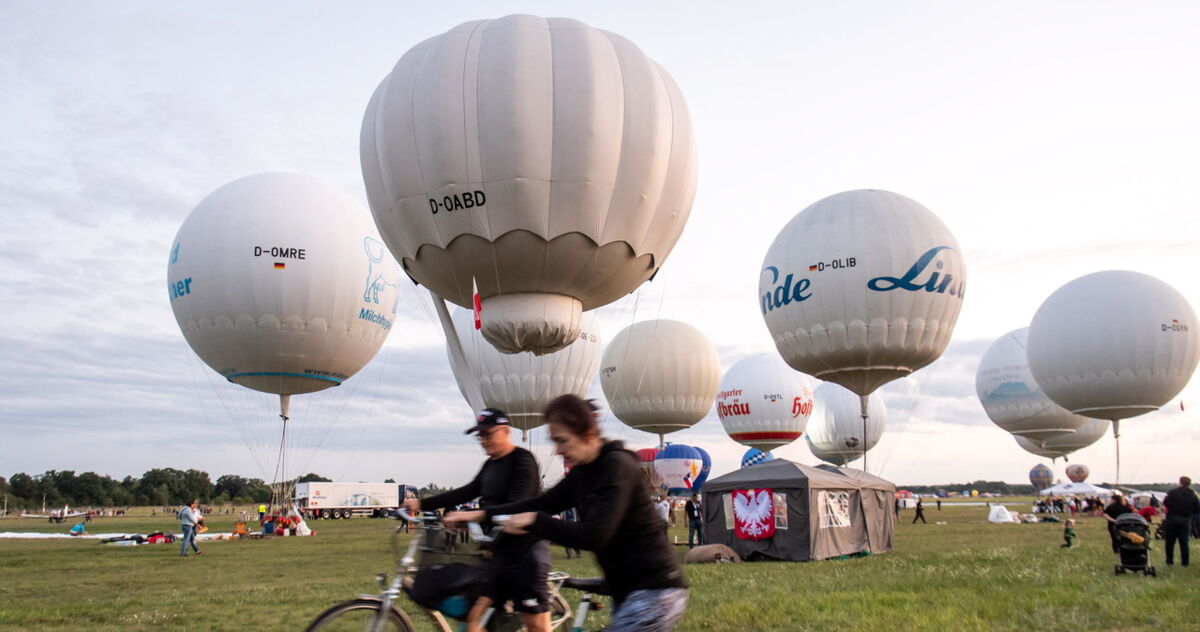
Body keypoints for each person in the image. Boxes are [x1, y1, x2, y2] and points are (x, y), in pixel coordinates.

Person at [446, 394, 687, 632]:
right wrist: (479, 515)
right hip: (626, 589)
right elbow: (541, 503)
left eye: (562, 440)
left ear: (588, 434)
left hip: (655, 591)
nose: (557, 451)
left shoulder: (617, 465)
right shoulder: (584, 472)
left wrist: (535, 522)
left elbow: (595, 535)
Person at [403, 408, 547, 632]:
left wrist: (475, 516)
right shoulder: (491, 465)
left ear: (506, 431)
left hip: (525, 555)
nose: (483, 440)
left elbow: (516, 505)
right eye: (480, 435)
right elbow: (466, 492)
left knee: (535, 625)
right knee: (473, 618)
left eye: (488, 434)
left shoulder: (522, 460)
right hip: (498, 554)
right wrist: (422, 504)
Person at [1162, 476, 1200, 567]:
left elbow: (1166, 502)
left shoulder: (1172, 493)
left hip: (1172, 519)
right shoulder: (1193, 495)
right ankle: (1185, 562)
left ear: (1180, 482)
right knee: (1184, 542)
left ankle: (1169, 561)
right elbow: (1197, 508)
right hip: (1185, 520)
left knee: (1170, 542)